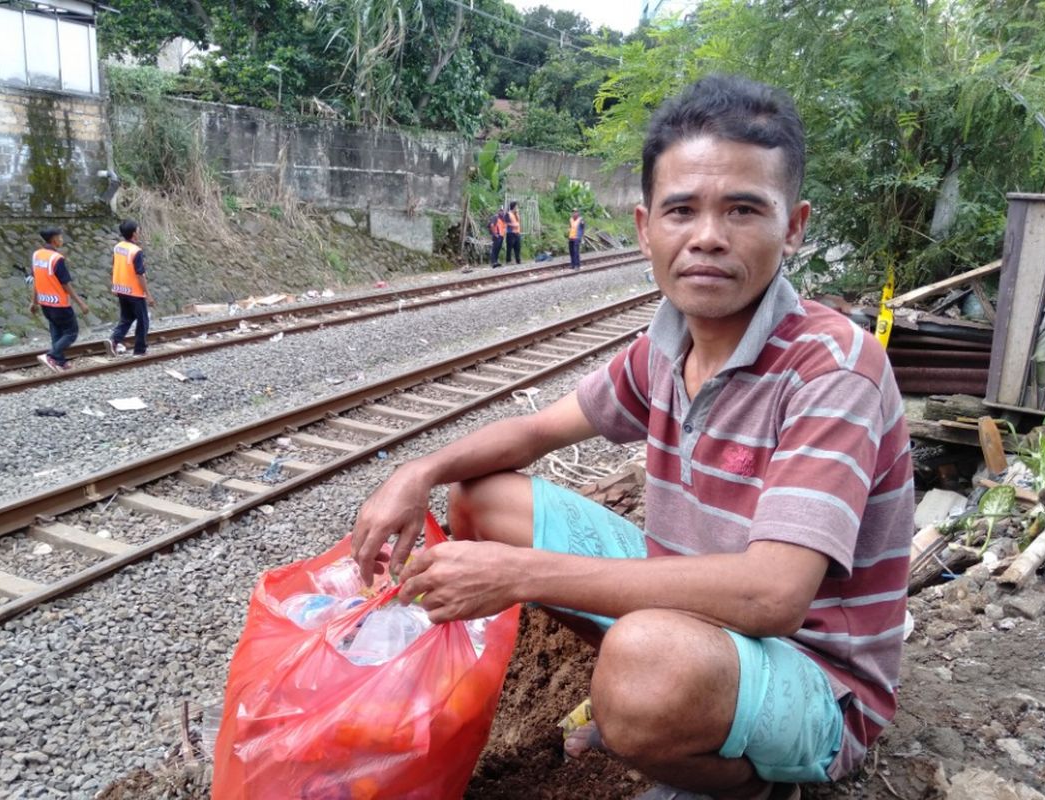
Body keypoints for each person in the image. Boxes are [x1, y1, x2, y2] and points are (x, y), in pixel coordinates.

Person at [350, 73, 913, 800]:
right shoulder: (665, 348)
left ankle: (742, 779)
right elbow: (536, 430)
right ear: (648, 228)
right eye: (683, 210)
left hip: (816, 678)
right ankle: (667, 698)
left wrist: (516, 576)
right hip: (697, 613)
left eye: (743, 209)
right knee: (486, 499)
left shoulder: (832, 370)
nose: (708, 237)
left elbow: (774, 598)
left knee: (643, 664)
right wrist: (417, 472)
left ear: (794, 225)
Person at [28, 226, 89, 371]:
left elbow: (36, 279)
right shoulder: (57, 259)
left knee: (56, 332)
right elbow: (65, 284)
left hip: (45, 303)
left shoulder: (37, 255)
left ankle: (60, 361)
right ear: (54, 239)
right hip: (59, 304)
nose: (62, 239)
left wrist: (34, 301)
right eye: (60, 237)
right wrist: (81, 303)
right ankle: (51, 355)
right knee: (71, 332)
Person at [105, 219, 155, 357]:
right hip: (134, 292)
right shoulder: (136, 251)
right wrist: (148, 295)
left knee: (127, 318)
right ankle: (140, 350)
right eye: (138, 230)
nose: (139, 232)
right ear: (134, 233)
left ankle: (114, 341)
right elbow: (140, 275)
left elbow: (115, 267)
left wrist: (114, 285)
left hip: (121, 289)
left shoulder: (117, 247)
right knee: (143, 320)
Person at [505, 200, 523, 265]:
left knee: (518, 247)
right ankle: (508, 260)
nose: (517, 208)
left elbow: (518, 222)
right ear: (514, 207)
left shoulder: (516, 214)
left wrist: (517, 214)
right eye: (516, 207)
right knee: (509, 248)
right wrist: (513, 225)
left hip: (517, 233)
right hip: (510, 233)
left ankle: (518, 260)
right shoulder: (508, 214)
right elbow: (506, 223)